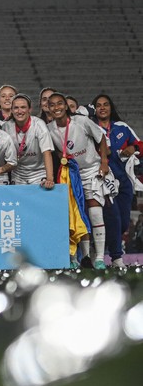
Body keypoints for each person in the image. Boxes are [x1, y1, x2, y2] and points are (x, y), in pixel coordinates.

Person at [47, 92, 110, 269]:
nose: (56, 107)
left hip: (91, 170)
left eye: (60, 104)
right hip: (71, 174)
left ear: (66, 106)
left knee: (95, 213)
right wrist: (61, 156)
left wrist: (104, 162)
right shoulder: (49, 128)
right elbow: (55, 151)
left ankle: (99, 258)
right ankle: (82, 258)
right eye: (52, 105)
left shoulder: (81, 121)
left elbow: (101, 137)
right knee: (76, 216)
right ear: (48, 108)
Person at [92, 93, 143, 268]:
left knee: (122, 222)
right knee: (113, 218)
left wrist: (133, 147)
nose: (102, 107)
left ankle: (104, 247)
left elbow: (141, 145)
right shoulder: (91, 128)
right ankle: (116, 257)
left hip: (125, 181)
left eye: (105, 104)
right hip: (104, 182)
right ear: (95, 109)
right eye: (98, 105)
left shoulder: (122, 127)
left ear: (111, 107)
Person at [1, 94, 55, 189]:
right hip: (18, 174)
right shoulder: (6, 127)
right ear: (12, 110)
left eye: (23, 107)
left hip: (38, 172)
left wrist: (50, 179)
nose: (19, 111)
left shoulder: (39, 125)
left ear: (29, 110)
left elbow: (47, 152)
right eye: (16, 108)